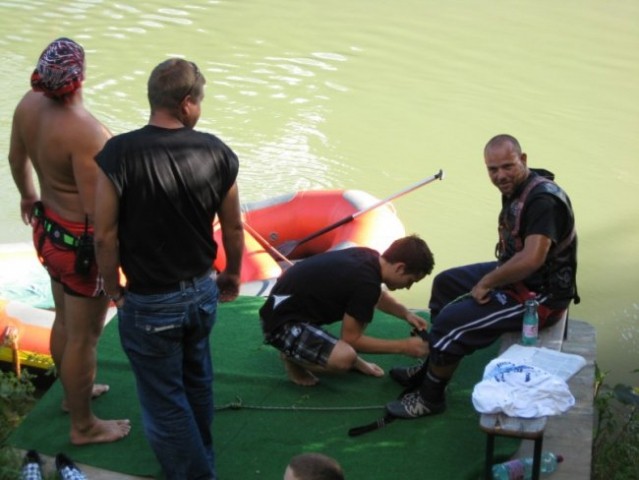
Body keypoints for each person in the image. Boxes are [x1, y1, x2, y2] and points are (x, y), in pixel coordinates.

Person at [94, 58, 244, 480]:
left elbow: (105, 235)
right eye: (200, 100)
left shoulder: (117, 153)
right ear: (185, 104)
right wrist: (231, 273)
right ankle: (202, 463)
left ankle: (196, 473)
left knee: (164, 401)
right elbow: (233, 225)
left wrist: (113, 287)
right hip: (201, 292)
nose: (200, 108)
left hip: (150, 302)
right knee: (195, 379)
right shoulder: (217, 151)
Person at [386, 134, 579, 418]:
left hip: (540, 299)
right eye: (493, 169)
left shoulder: (543, 201)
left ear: (523, 160)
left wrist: (488, 281)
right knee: (445, 283)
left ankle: (430, 398)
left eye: (507, 166)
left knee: (452, 323)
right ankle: (434, 360)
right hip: (520, 278)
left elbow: (533, 257)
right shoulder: (517, 187)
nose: (500, 175)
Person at [7, 37, 131, 445]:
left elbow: (15, 158)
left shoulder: (28, 105)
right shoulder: (86, 134)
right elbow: (100, 217)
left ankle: (71, 397)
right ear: (80, 78)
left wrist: (29, 194)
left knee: (65, 320)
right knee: (85, 337)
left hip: (48, 231)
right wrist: (113, 274)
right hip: (80, 250)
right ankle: (84, 425)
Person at [259, 234, 435, 386]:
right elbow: (352, 339)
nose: (409, 287)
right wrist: (403, 347)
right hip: (279, 326)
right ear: (400, 268)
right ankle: (291, 357)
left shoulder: (369, 257)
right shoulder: (366, 283)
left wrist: (406, 314)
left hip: (280, 310)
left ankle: (304, 349)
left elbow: (377, 297)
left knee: (351, 342)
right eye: (410, 281)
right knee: (344, 359)